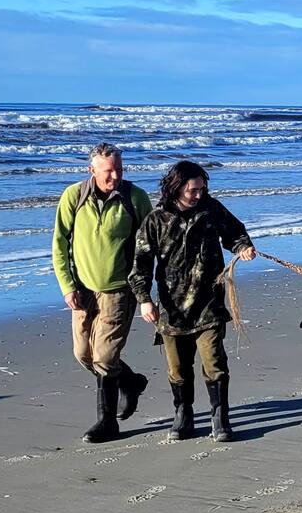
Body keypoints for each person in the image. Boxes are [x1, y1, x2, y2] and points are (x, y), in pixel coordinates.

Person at [129, 160, 256, 442]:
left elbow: (235, 232)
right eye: (193, 190)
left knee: (214, 362)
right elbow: (141, 263)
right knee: (177, 368)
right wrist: (144, 300)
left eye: (202, 188)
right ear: (176, 188)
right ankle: (183, 414)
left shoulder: (212, 210)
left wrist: (243, 246)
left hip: (209, 303)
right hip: (171, 309)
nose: (199, 194)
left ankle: (220, 418)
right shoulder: (156, 220)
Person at [52, 143, 153, 443]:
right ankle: (131, 382)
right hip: (82, 291)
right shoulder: (74, 196)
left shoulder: (135, 198)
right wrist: (67, 286)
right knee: (83, 354)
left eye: (119, 169)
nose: (115, 176)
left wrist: (145, 291)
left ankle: (107, 422)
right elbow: (59, 244)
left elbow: (149, 247)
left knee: (106, 357)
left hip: (120, 290)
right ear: (92, 169)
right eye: (108, 171)